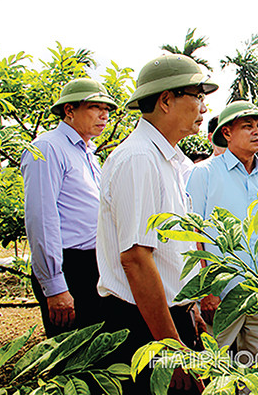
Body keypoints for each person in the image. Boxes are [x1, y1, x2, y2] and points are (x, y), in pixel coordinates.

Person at [96, 54, 218, 394]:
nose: (203, 108)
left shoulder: (166, 160)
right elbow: (136, 259)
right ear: (166, 100)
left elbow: (170, 251)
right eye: (197, 96)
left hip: (166, 316)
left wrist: (188, 306)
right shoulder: (139, 159)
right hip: (143, 325)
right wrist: (171, 349)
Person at [21, 78, 118, 337]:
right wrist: (55, 285)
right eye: (95, 107)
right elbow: (41, 218)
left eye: (107, 109)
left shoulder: (87, 152)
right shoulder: (48, 148)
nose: (104, 114)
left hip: (94, 263)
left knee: (98, 353)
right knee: (72, 356)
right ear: (69, 110)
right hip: (70, 266)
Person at [186, 100, 258, 365]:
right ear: (226, 133)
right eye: (248, 126)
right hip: (221, 297)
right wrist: (207, 291)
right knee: (213, 369)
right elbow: (194, 235)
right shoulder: (203, 174)